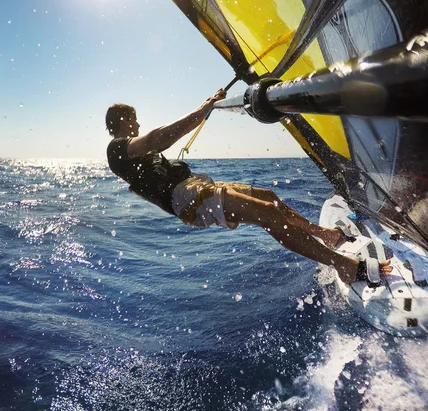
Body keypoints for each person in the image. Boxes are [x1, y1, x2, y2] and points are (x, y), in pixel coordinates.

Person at [105, 90, 392, 284]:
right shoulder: (116, 148)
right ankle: (343, 265)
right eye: (132, 119)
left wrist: (208, 105)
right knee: (267, 213)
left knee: (268, 197)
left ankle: (326, 235)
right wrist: (203, 110)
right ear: (120, 122)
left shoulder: (131, 150)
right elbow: (158, 138)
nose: (137, 123)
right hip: (186, 198)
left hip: (195, 186)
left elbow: (156, 142)